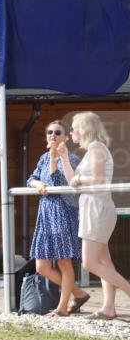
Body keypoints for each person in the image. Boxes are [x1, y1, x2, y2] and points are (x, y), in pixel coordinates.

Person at [59, 112, 127, 320]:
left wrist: (79, 180)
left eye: (74, 128)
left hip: (98, 208)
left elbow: (96, 179)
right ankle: (109, 308)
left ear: (85, 128)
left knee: (89, 263)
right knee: (104, 262)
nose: (71, 132)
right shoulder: (90, 151)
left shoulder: (97, 149)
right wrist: (63, 157)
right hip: (91, 207)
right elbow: (72, 180)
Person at [27, 120, 91, 316]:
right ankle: (78, 294)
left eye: (57, 132)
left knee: (64, 262)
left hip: (63, 212)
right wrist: (37, 184)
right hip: (46, 214)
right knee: (42, 266)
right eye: (49, 132)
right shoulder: (43, 158)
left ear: (65, 137)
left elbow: (56, 181)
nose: (52, 136)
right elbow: (31, 179)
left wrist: (56, 156)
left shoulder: (69, 158)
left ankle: (62, 308)